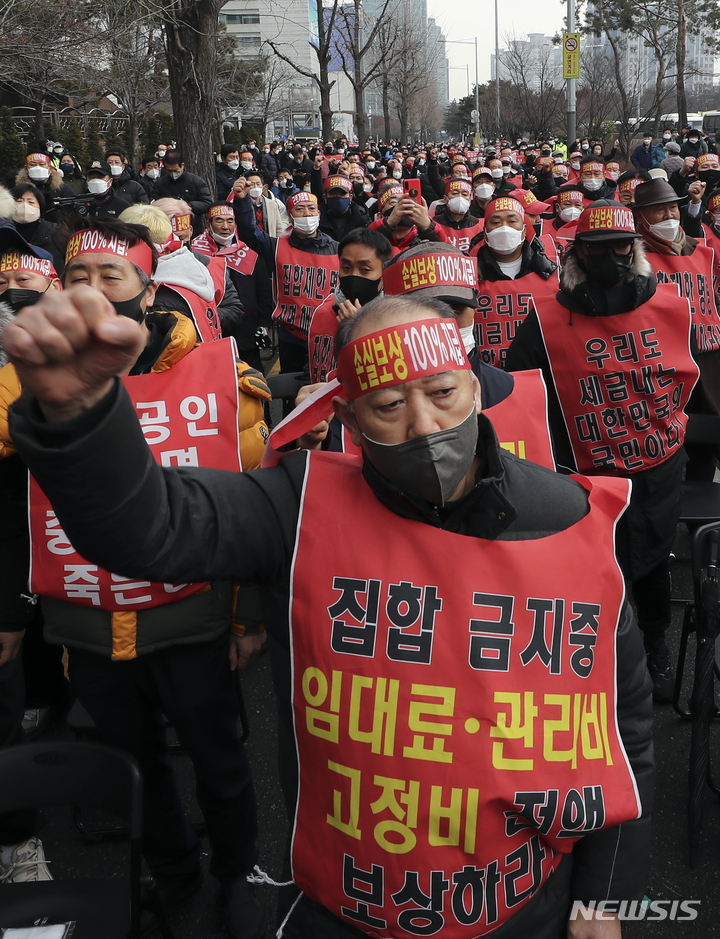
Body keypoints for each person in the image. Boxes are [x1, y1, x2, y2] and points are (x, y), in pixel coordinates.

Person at [5, 282, 653, 939]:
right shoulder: (296, 507)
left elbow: (623, 724)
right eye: (389, 404)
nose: (424, 426)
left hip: (524, 904)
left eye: (442, 392)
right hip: (345, 905)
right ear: (346, 412)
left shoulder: (571, 518)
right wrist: (83, 417)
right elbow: (151, 527)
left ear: (476, 385)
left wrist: (602, 897)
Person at [0, 216, 269, 939]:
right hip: (86, 627)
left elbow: (249, 502)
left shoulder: (216, 379)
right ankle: (173, 868)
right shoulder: (27, 384)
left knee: (219, 760)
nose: (91, 292)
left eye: (109, 278)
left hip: (191, 623)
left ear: (149, 293)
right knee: (133, 766)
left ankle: (237, 871)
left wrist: (246, 616)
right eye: (77, 278)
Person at [505, 199, 701, 702]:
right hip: (583, 472)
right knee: (591, 569)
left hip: (656, 463)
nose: (611, 258)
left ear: (635, 249)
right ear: (577, 256)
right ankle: (598, 655)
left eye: (620, 247)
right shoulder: (544, 319)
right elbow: (520, 388)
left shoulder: (671, 306)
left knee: (654, 562)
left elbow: (688, 374)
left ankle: (654, 647)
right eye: (597, 250)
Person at [233, 180, 339, 373]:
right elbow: (250, 233)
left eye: (311, 209)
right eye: (300, 209)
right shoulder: (276, 247)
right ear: (290, 218)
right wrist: (242, 201)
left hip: (327, 335)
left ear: (318, 213)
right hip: (291, 337)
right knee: (291, 388)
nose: (306, 214)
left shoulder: (338, 249)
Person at [472, 196, 558, 369]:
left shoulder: (552, 273)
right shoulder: (467, 274)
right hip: (485, 378)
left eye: (512, 221)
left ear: (524, 230)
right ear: (485, 232)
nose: (504, 228)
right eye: (496, 223)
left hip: (538, 377)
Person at [308, 227, 391, 383]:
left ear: (383, 272)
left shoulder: (393, 319)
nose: (354, 276)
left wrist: (356, 329)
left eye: (365, 270)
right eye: (346, 268)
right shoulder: (322, 312)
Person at [9, 184, 65, 274]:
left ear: (40, 209)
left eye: (31, 202)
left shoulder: (57, 233)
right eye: (19, 201)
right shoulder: (4, 234)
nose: (24, 205)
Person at [154, 149, 213, 232]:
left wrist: (187, 205)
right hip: (168, 227)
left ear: (182, 165)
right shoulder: (160, 183)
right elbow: (155, 203)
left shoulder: (196, 181)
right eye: (169, 171)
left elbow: (207, 203)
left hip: (193, 227)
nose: (173, 173)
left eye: (175, 170)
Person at [243, 169, 290, 237]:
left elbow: (279, 228)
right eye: (252, 184)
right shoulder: (242, 204)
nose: (255, 187)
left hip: (269, 242)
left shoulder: (273, 204)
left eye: (258, 184)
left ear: (263, 186)